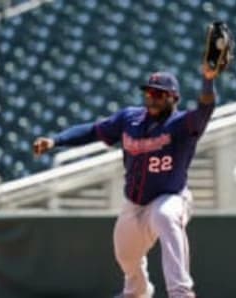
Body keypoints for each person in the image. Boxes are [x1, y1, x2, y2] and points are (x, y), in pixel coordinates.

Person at [33, 64, 219, 298]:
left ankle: (181, 292)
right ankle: (137, 291)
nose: (152, 97)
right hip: (135, 203)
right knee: (126, 254)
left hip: (171, 196)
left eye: (159, 94)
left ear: (174, 97)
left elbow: (205, 109)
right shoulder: (129, 119)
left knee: (165, 215)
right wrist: (55, 140)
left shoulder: (183, 125)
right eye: (149, 92)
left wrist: (208, 81)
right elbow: (93, 130)